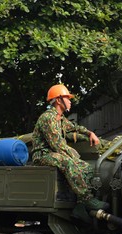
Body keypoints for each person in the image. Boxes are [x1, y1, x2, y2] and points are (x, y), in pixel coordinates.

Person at [31, 84, 108, 213]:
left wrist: (90, 133)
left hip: (54, 153)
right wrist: (73, 156)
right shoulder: (48, 118)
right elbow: (57, 145)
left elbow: (74, 127)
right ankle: (87, 200)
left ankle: (79, 206)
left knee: (87, 168)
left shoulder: (60, 118)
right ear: (59, 100)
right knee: (69, 163)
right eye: (67, 98)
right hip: (42, 155)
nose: (70, 101)